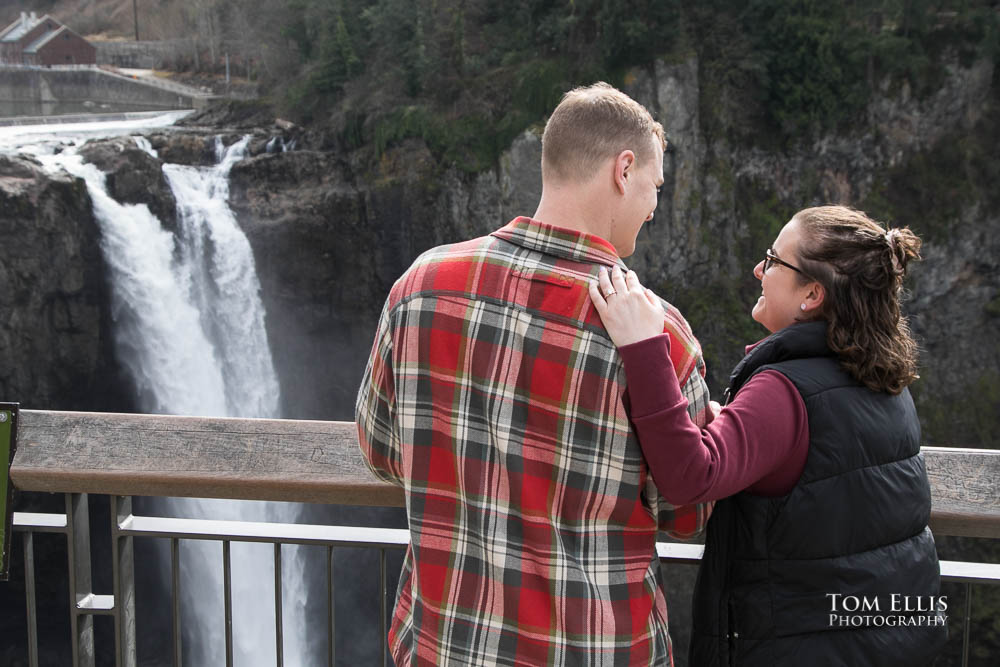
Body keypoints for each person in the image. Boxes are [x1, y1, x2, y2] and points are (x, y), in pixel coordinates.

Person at [356, 82, 714, 666]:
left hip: (446, 645)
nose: (654, 206)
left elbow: (380, 450)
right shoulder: (659, 335)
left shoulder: (419, 286)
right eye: (654, 186)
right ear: (624, 171)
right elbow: (687, 511)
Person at [589, 205, 947, 666]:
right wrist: (736, 423)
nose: (759, 268)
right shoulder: (884, 384)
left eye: (775, 261)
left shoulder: (784, 392)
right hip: (883, 641)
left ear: (812, 294)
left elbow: (688, 477)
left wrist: (644, 348)